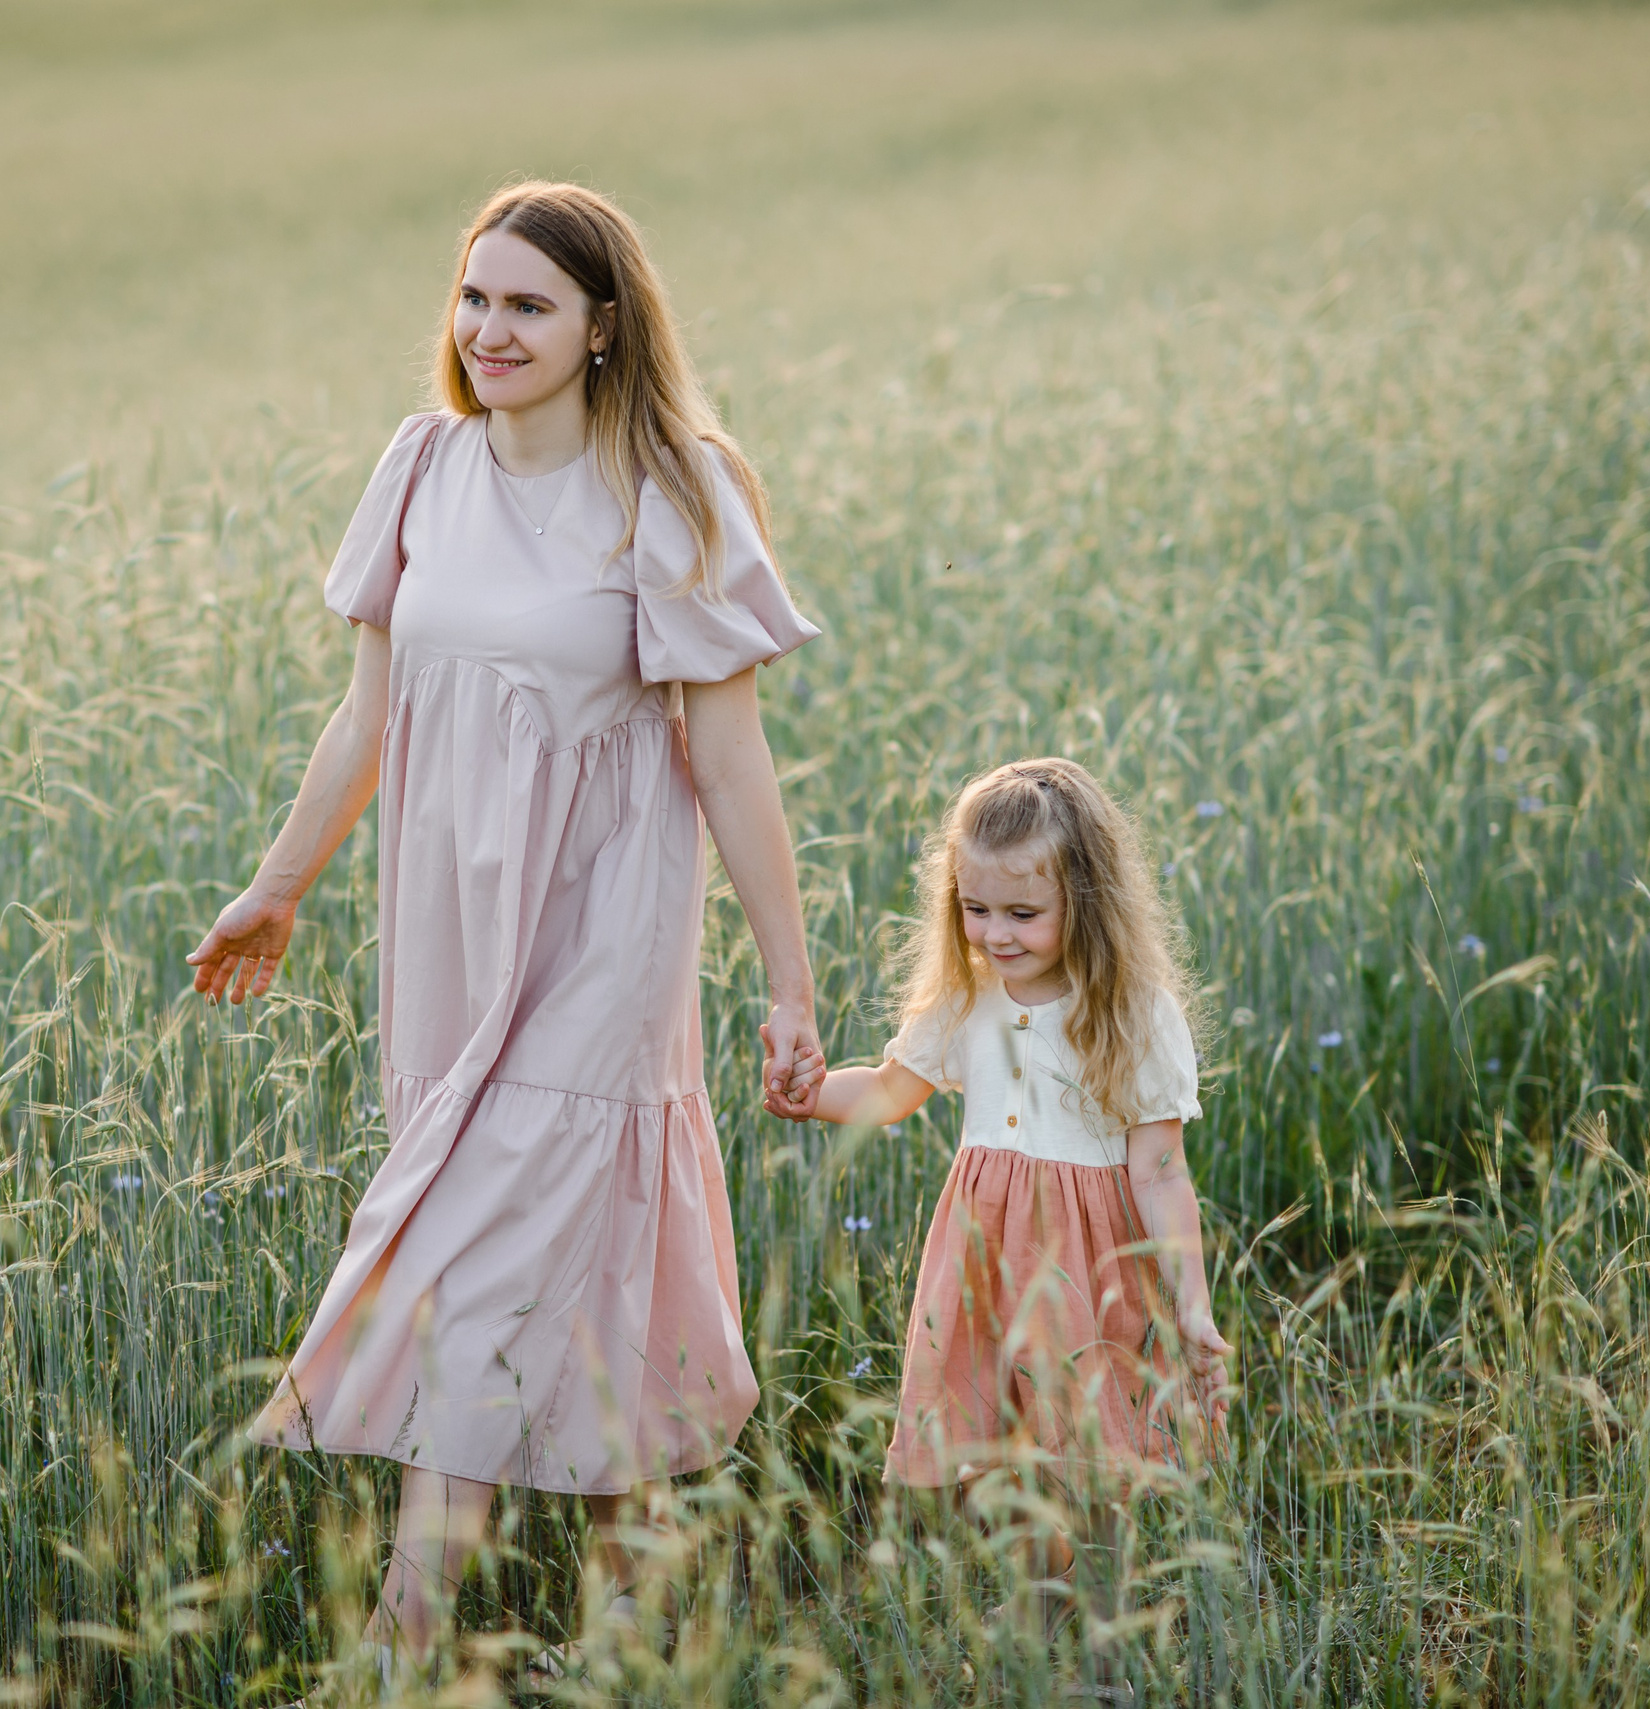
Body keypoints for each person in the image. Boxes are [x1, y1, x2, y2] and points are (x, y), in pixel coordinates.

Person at [186, 180, 827, 1684]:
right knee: (586, 1250)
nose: (490, 331)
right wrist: (278, 885)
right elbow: (369, 720)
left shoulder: (673, 491)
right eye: (474, 299)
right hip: (455, 920)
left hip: (608, 911)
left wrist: (790, 982)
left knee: (477, 1249)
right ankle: (621, 1629)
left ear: (605, 325)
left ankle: (406, 1640)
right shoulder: (420, 471)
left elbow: (729, 758)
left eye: (528, 304)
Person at [772, 757, 1229, 1633]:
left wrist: (1192, 1299)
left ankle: (1095, 1639)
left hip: (1089, 1270)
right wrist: (808, 1091)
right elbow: (886, 1095)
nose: (996, 933)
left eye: (1023, 913)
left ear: (1085, 902)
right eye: (975, 909)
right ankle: (1044, 1608)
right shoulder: (965, 1002)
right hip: (981, 1265)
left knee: (1087, 1459)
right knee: (994, 1459)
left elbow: (1163, 1168)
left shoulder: (1131, 1013)